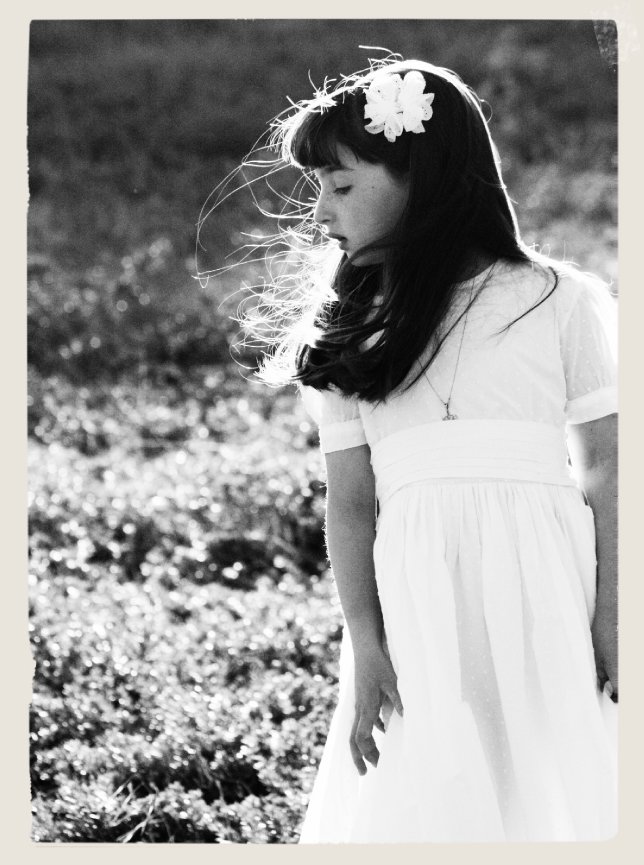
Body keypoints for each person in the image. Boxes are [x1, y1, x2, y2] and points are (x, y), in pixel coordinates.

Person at [230, 57, 618, 842]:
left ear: (424, 178)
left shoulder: (557, 301)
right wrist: (366, 642)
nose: (320, 211)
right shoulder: (348, 331)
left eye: (341, 186)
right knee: (434, 790)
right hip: (421, 606)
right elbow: (352, 502)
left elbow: (611, 471)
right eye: (317, 188)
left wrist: (613, 614)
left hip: (549, 590)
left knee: (549, 784)